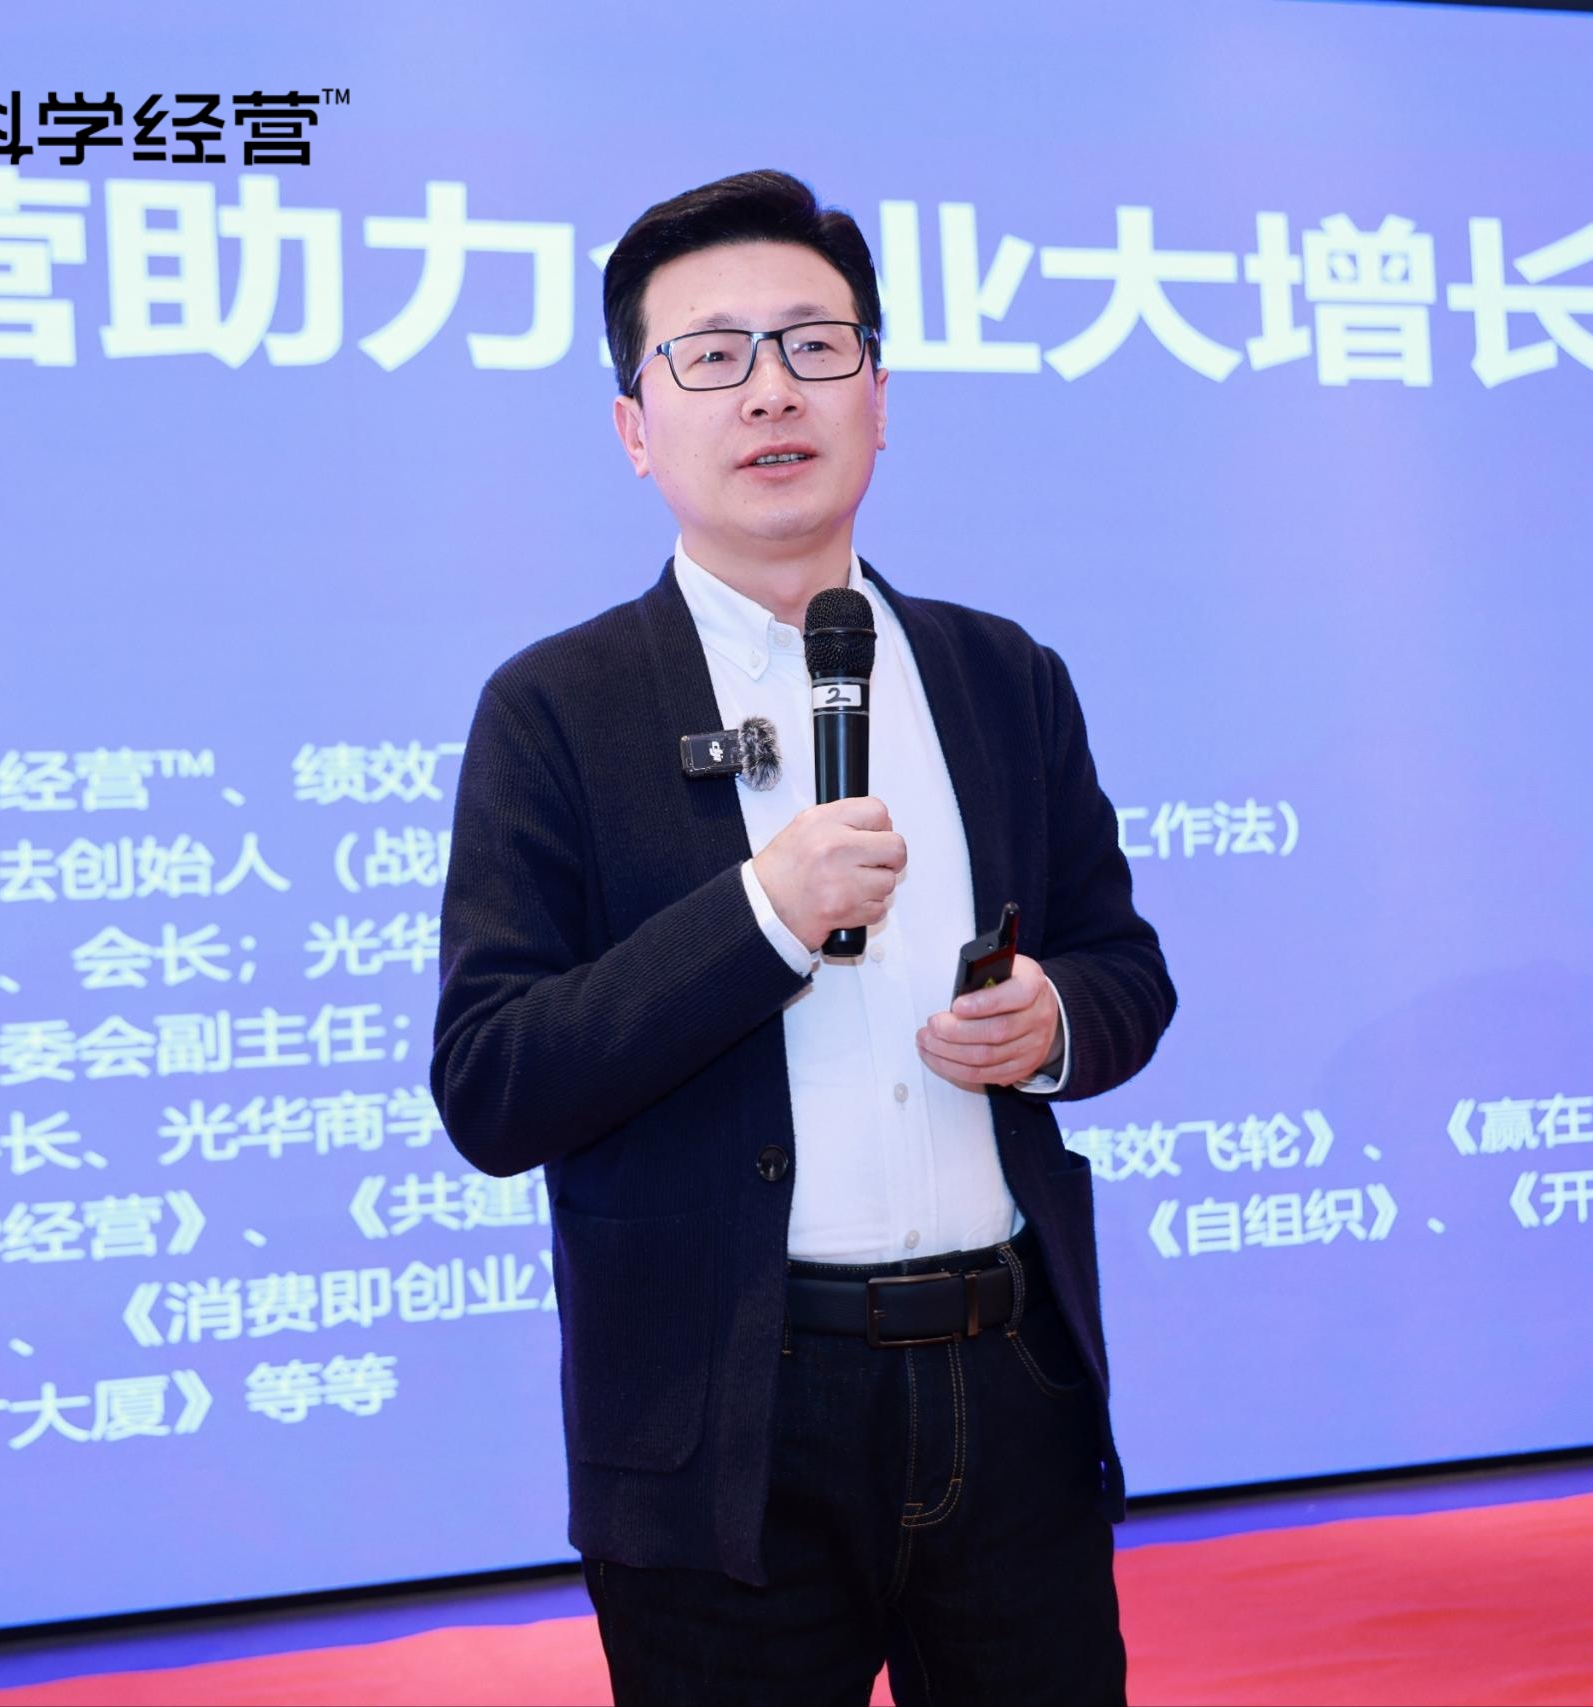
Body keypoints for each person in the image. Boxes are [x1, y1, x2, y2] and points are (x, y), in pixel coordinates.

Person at [430, 168, 1176, 1706]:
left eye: (815, 347)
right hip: (726, 1428)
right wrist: (763, 916)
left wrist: (1053, 1024)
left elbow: (1127, 970)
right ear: (636, 427)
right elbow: (495, 1083)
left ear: (879, 398)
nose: (772, 390)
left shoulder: (1001, 675)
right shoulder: (557, 707)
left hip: (1009, 1385)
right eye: (712, 356)